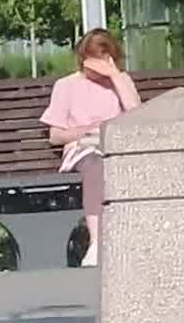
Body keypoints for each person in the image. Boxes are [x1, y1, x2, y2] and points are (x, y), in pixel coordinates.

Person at [40, 28, 142, 266]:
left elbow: (137, 118)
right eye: (90, 59)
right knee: (95, 165)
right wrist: (89, 129)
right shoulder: (66, 86)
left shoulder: (121, 82)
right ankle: (97, 242)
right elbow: (56, 135)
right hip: (83, 151)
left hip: (117, 151)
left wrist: (115, 76)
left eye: (102, 59)